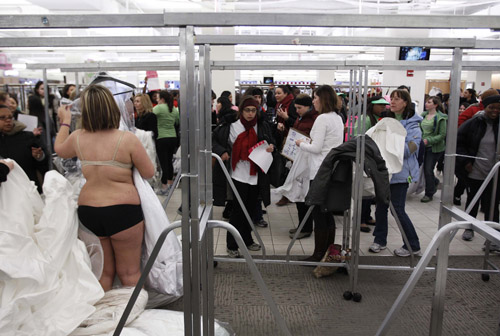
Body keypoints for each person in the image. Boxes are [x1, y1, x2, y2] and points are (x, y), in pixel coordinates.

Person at [54, 85, 155, 291]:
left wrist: (65, 122)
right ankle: (130, 318)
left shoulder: (78, 137)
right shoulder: (127, 139)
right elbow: (149, 172)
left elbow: (59, 149)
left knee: (102, 273)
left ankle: (106, 319)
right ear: (113, 108)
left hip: (89, 211)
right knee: (130, 273)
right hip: (123, 210)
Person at [212, 96, 276, 258]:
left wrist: (270, 146)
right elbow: (213, 141)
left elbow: (270, 140)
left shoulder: (261, 126)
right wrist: (222, 151)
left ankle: (247, 240)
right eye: (247, 110)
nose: (250, 114)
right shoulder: (231, 126)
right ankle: (232, 244)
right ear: (241, 110)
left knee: (251, 208)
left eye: (253, 110)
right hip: (237, 173)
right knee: (238, 210)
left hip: (256, 173)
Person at [369, 89, 422, 257]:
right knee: (380, 208)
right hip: (384, 172)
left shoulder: (414, 125)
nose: (392, 101)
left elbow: (408, 150)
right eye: (391, 98)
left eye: (397, 99)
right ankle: (379, 240)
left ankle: (412, 245)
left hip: (400, 174)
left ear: (405, 102)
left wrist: (387, 143)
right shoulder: (385, 121)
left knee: (397, 209)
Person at [295, 85, 344, 261]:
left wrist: (301, 143)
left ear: (323, 99)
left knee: (318, 212)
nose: (313, 101)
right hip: (332, 168)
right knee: (326, 212)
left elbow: (316, 148)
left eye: (315, 98)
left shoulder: (322, 119)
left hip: (319, 170)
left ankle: (318, 254)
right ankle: (327, 253)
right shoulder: (337, 118)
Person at [456, 95, 500, 249]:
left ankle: (493, 237)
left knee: (492, 204)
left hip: (495, 172)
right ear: (484, 107)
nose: (495, 111)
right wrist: (466, 162)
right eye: (491, 107)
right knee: (473, 200)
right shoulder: (474, 123)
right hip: (475, 169)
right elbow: (459, 142)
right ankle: (469, 228)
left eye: (498, 108)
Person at [353, 96, 390, 232]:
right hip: (365, 158)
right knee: (363, 189)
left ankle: (366, 216)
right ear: (371, 105)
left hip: (372, 157)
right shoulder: (366, 118)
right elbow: (359, 136)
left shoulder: (375, 118)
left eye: (384, 105)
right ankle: (360, 219)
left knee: (369, 188)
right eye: (379, 105)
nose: (383, 107)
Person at [287, 93, 318, 239]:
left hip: (307, 162)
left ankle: (306, 228)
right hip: (298, 159)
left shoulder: (315, 119)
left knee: (304, 196)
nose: (297, 110)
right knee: (299, 195)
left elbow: (314, 141)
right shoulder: (301, 118)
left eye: (299, 108)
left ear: (308, 106)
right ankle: (302, 225)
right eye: (296, 108)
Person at [0, 105, 48, 193]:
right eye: (2, 118)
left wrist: (39, 157)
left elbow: (44, 162)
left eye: (10, 117)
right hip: (5, 194)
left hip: (28, 190)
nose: (8, 120)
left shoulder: (27, 137)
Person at [420, 96, 447, 203]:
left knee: (428, 169)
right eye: (426, 102)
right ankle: (434, 181)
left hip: (434, 148)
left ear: (435, 105)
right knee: (424, 169)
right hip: (422, 146)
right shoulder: (423, 116)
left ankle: (429, 193)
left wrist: (429, 140)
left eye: (429, 102)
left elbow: (442, 135)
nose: (426, 104)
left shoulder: (441, 118)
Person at [275, 85, 298, 206]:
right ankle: (286, 193)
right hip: (283, 138)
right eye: (275, 93)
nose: (276, 95)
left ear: (286, 94)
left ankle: (287, 195)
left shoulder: (292, 105)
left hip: (292, 141)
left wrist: (286, 118)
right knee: (285, 167)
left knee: (288, 168)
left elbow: (296, 123)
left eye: (279, 93)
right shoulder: (280, 105)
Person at [153, 90, 179, 195]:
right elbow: (177, 121)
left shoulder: (158, 108)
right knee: (169, 161)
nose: (157, 100)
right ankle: (170, 183)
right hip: (172, 137)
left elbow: (149, 114)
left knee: (163, 163)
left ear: (162, 99)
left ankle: (164, 187)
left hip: (161, 137)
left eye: (158, 98)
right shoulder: (174, 109)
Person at [28, 81, 56, 150]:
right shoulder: (34, 99)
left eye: (45, 89)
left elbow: (55, 114)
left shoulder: (52, 99)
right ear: (37, 89)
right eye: (42, 89)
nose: (44, 91)